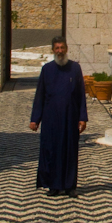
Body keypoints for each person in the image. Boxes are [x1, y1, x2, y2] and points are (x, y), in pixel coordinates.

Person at [29, 37, 88, 195]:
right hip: (51, 118)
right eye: (57, 48)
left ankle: (70, 186)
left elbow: (81, 95)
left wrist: (82, 117)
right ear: (53, 50)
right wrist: (35, 119)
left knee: (69, 151)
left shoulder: (75, 68)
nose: (60, 51)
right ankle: (53, 186)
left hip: (70, 118)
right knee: (51, 150)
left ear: (66, 49)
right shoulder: (47, 69)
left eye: (62, 48)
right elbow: (40, 95)